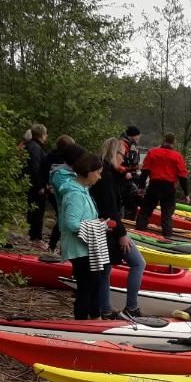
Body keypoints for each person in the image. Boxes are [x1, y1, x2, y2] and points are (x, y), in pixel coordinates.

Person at [90, 137, 146, 320]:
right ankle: (130, 307)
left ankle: (105, 310)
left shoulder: (109, 174)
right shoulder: (105, 175)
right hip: (109, 229)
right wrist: (122, 234)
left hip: (106, 228)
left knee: (105, 270)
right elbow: (109, 209)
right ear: (114, 153)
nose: (125, 158)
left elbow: (118, 201)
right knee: (138, 263)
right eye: (123, 154)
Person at [57, 152, 109, 320]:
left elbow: (83, 219)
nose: (99, 177)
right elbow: (71, 223)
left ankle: (95, 317)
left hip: (87, 248)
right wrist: (97, 225)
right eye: (98, 173)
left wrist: (97, 222)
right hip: (79, 250)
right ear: (89, 171)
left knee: (95, 285)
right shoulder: (75, 194)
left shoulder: (83, 191)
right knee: (86, 288)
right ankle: (82, 322)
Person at [135, 134, 190, 238]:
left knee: (145, 211)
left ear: (163, 140)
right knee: (167, 215)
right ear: (173, 142)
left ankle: (139, 234)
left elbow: (145, 171)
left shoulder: (153, 152)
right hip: (169, 188)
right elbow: (182, 176)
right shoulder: (177, 156)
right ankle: (167, 237)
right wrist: (186, 193)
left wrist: (141, 187)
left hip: (154, 185)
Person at [42, 135, 77, 253]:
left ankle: (53, 246)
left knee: (61, 218)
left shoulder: (50, 155)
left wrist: (45, 184)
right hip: (59, 189)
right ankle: (59, 247)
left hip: (51, 189)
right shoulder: (65, 159)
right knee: (63, 218)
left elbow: (43, 169)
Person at [23, 123, 49, 246]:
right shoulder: (36, 148)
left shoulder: (27, 145)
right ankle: (36, 238)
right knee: (38, 211)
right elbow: (35, 168)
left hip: (28, 183)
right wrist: (40, 186)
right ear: (42, 135)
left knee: (33, 210)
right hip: (36, 185)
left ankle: (32, 236)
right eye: (46, 134)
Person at [118, 125, 143, 219]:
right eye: (138, 136)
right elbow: (117, 162)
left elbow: (131, 163)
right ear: (133, 135)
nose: (139, 138)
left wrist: (137, 167)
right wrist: (125, 172)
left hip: (129, 176)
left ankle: (129, 218)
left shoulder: (131, 145)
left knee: (133, 198)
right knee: (125, 199)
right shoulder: (122, 144)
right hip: (122, 178)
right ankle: (124, 219)